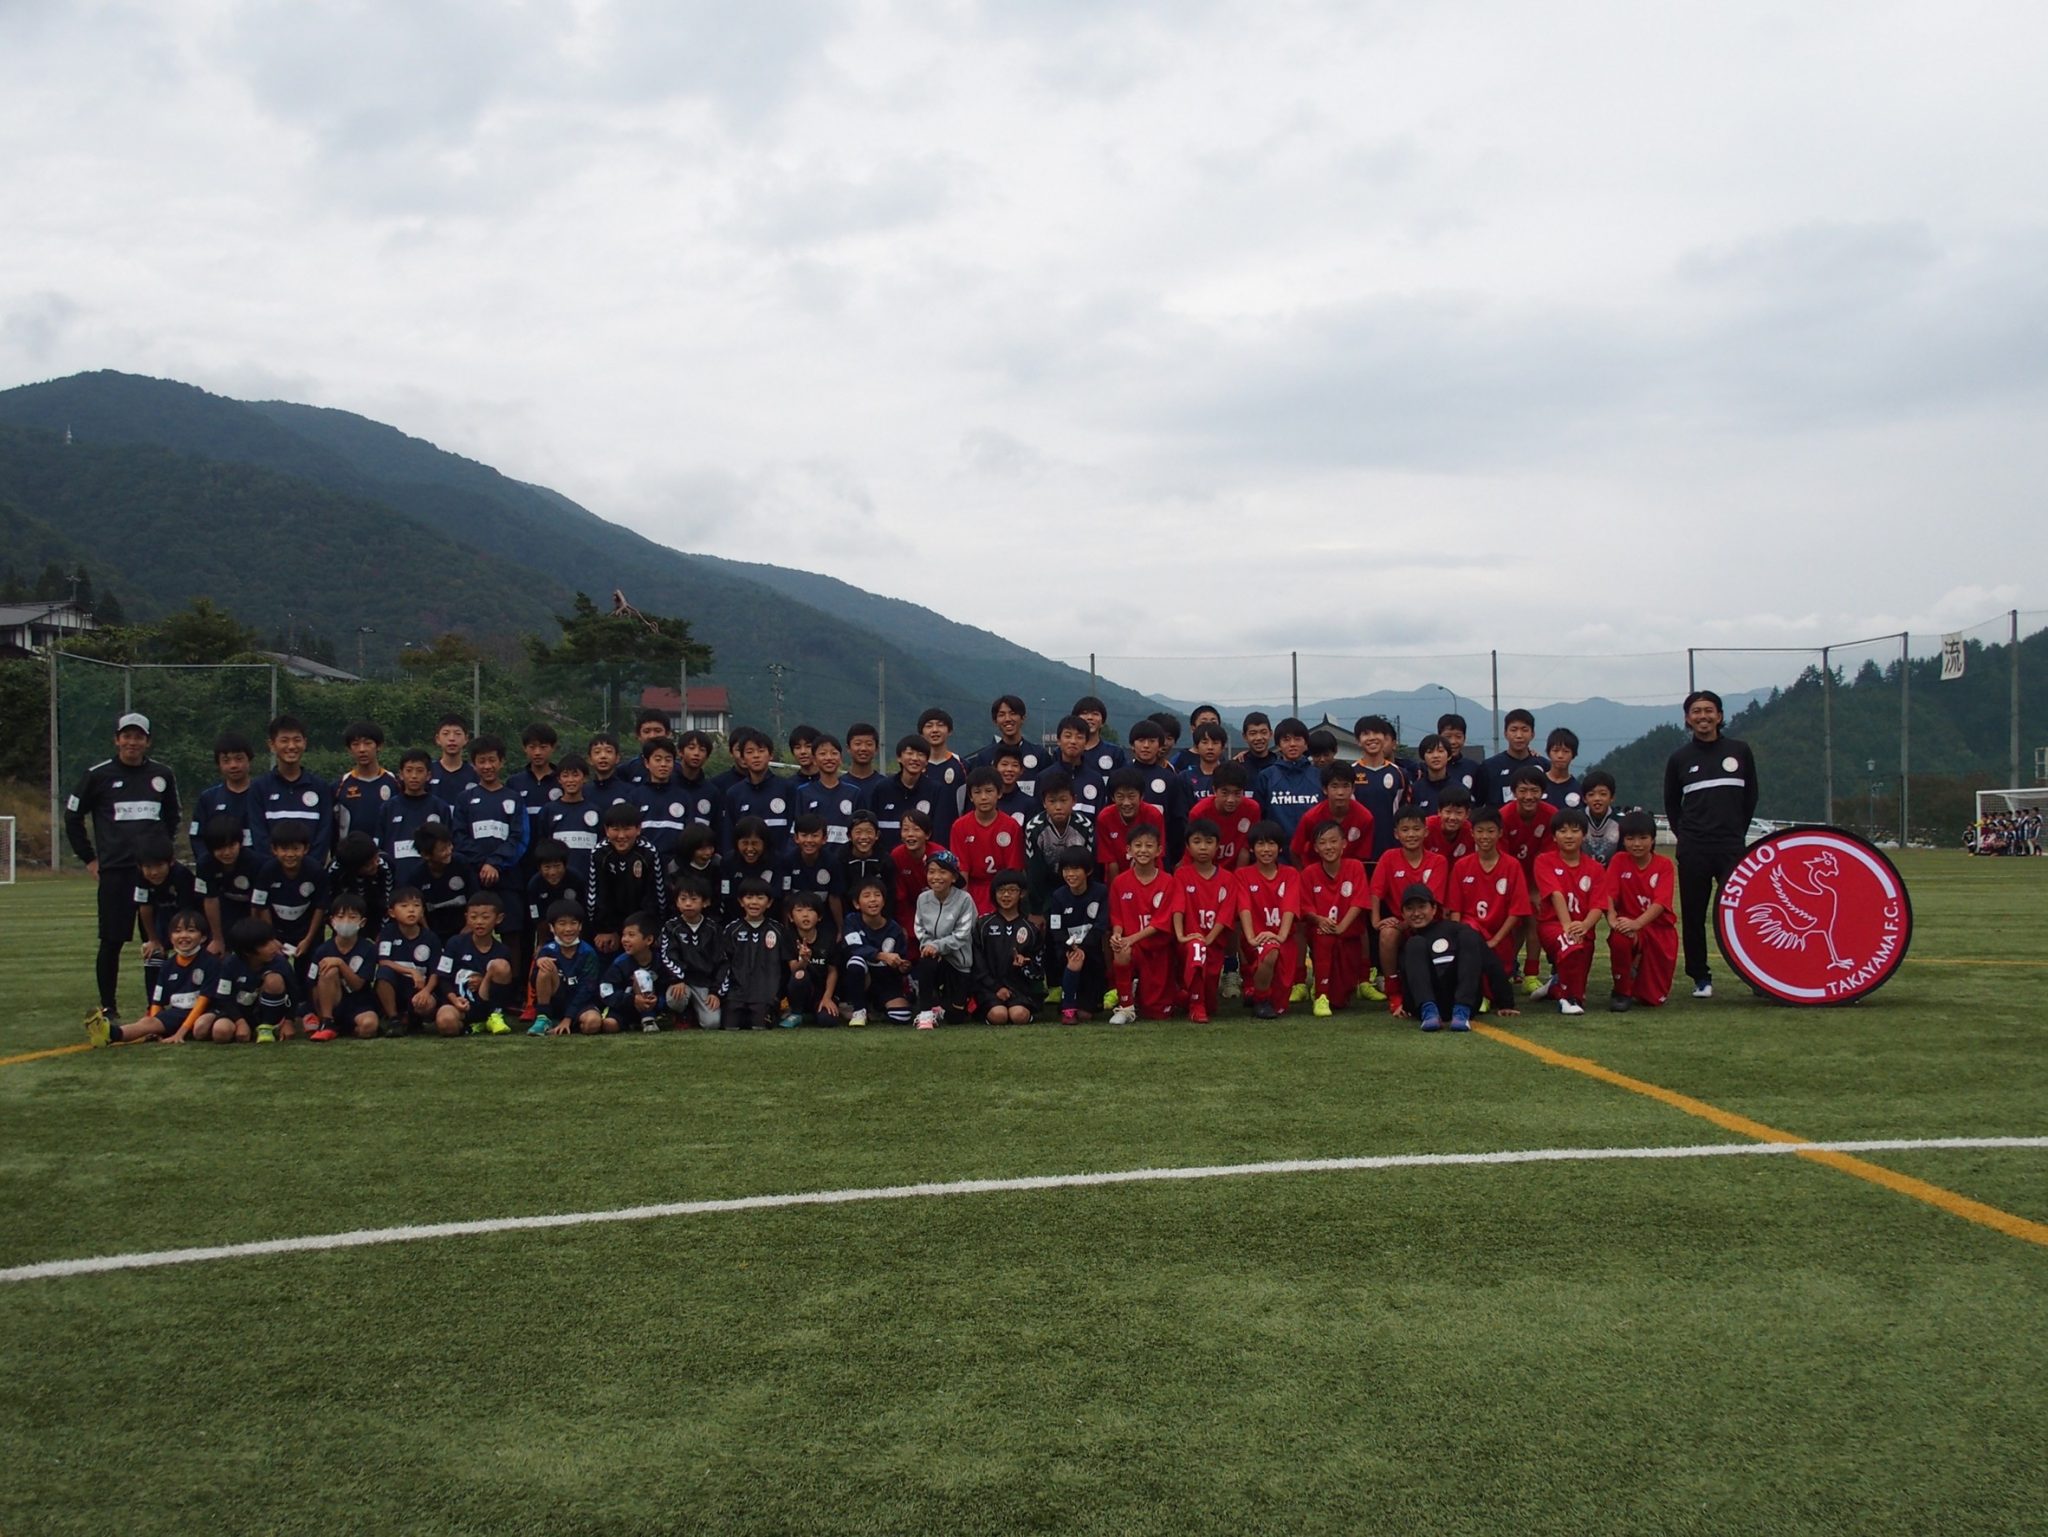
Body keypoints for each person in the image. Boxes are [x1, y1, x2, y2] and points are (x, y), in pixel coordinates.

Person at [67, 711, 182, 1021]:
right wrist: (89, 858)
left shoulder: (162, 775)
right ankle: (109, 1006)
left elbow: (173, 816)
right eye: (127, 736)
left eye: (139, 736)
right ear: (117, 739)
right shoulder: (98, 775)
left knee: (156, 941)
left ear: (148, 741)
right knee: (112, 940)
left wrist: (162, 853)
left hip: (154, 874)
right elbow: (72, 817)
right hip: (116, 872)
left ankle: (154, 1005)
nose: (133, 742)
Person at [1662, 689, 1761, 999]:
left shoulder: (1740, 751)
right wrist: (1687, 836)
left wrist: (1734, 833)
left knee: (1744, 913)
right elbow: (1671, 804)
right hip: (1694, 849)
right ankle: (1700, 976)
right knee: (1693, 914)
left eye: (1709, 710)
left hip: (1731, 847)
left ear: (1719, 715)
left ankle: (1756, 975)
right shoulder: (1679, 758)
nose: (1702, 716)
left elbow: (1750, 798)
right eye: (1696, 711)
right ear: (1687, 719)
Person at [1397, 884, 1522, 1033]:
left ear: (1434, 908)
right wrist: (1403, 1004)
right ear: (1403, 914)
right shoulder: (1410, 940)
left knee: (1469, 936)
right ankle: (1428, 1012)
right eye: (1410, 908)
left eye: (1422, 907)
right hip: (1429, 1001)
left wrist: (1505, 1003)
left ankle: (1461, 1012)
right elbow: (1406, 975)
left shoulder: (1456, 929)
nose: (1416, 913)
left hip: (1462, 999)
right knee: (1414, 943)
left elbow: (1491, 962)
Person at [86, 908, 218, 1046]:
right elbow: (157, 1002)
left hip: (203, 1012)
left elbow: (203, 1001)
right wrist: (156, 1024)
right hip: (177, 1013)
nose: (183, 936)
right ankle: (109, 1034)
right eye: (178, 931)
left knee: (200, 1028)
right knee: (148, 1022)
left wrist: (181, 1033)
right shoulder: (168, 965)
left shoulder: (210, 962)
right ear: (170, 937)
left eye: (191, 931)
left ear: (203, 937)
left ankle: (109, 1033)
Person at [1368, 808, 1452, 1015]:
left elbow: (1433, 903)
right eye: (1405, 830)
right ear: (1396, 833)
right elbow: (1376, 892)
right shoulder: (1388, 858)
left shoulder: (1438, 861)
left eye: (1416, 829)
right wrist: (1376, 921)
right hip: (1402, 923)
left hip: (1432, 925)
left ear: (1426, 832)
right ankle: (1393, 992)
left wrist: (1404, 923)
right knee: (1387, 934)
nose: (1411, 834)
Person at [1604, 810, 1678, 1011]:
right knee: (1620, 937)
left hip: (1658, 931)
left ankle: (1636, 972)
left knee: (1652, 999)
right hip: (1628, 926)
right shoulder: (1619, 860)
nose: (1637, 844)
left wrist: (1638, 923)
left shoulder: (1664, 865)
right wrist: (1612, 918)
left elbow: (1661, 903)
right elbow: (1608, 894)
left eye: (1643, 838)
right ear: (1623, 840)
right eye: (1630, 838)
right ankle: (1621, 990)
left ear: (1653, 840)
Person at [1448, 808, 1533, 981]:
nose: (1485, 836)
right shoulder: (1461, 866)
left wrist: (1496, 940)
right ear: (1472, 833)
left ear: (1500, 833)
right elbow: (1455, 910)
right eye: (1480, 831)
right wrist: (1457, 939)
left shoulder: (1512, 866)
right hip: (1471, 933)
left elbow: (1517, 911)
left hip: (1500, 937)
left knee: (1497, 981)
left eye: (1490, 831)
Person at [1531, 809, 1602, 1015]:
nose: (1569, 835)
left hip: (1583, 929)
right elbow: (1556, 895)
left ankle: (1556, 986)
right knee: (1570, 948)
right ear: (1554, 836)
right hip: (1554, 926)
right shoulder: (1544, 861)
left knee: (1580, 990)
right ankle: (1565, 999)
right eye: (1562, 831)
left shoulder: (1596, 868)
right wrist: (1567, 927)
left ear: (1584, 834)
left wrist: (1585, 926)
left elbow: (1598, 906)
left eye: (1575, 830)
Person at [1108, 823, 1180, 1022]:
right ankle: (1125, 1006)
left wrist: (1130, 938)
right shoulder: (1120, 882)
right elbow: (1117, 917)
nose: (1143, 850)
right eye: (1138, 845)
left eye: (1149, 846)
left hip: (1159, 949)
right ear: (1128, 850)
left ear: (1159, 850)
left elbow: (1161, 923)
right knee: (1120, 949)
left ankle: (1143, 989)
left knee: (1157, 1013)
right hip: (1133, 947)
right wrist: (1117, 934)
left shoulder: (1168, 882)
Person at [821, 879, 914, 1027]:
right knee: (856, 961)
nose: (872, 899)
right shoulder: (851, 921)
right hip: (862, 977)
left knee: (902, 1016)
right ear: (857, 903)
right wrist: (882, 955)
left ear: (884, 901)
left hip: (885, 981)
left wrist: (903, 966)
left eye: (877, 895)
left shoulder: (894, 929)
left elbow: (902, 962)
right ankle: (859, 1010)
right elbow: (852, 948)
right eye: (867, 895)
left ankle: (875, 1007)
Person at [1299, 821, 1368, 1017]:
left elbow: (1359, 902)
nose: (1328, 847)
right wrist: (1320, 920)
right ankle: (1321, 995)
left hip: (1349, 935)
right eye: (1323, 842)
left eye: (1333, 841)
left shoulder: (1355, 867)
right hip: (1322, 932)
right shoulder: (1309, 873)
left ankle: (1332, 988)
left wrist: (1341, 927)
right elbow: (1305, 909)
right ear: (1315, 847)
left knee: (1341, 999)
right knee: (1324, 936)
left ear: (1344, 843)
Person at [1173, 819, 1237, 1023]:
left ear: (1218, 846)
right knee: (1196, 950)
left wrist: (1209, 938)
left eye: (1209, 842)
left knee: (1211, 1000)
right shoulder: (1181, 875)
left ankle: (1190, 998)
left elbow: (1225, 914)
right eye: (1197, 841)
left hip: (1214, 943)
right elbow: (1177, 908)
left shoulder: (1227, 878)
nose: (1203, 847)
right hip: (1190, 943)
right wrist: (1182, 936)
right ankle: (1195, 1005)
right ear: (1188, 846)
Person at [1235, 821, 1301, 1019]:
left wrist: (1280, 936)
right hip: (1255, 940)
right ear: (1253, 849)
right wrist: (1251, 938)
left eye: (1271, 844)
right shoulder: (1242, 875)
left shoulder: (1290, 874)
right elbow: (1244, 908)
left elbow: (1290, 907)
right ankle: (1260, 1000)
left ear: (1280, 847)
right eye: (1261, 844)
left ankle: (1256, 990)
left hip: (1283, 940)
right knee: (1270, 951)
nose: (1266, 850)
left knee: (1281, 1005)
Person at [586, 803, 668, 954]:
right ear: (606, 830)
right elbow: (595, 895)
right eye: (615, 829)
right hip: (610, 926)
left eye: (627, 829)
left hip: (641, 924)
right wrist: (604, 929)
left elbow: (657, 896)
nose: (621, 836)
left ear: (638, 829)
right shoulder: (599, 853)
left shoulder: (649, 853)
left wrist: (650, 929)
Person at [252, 714, 332, 865]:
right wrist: (277, 869)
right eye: (284, 740)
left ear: (305, 743)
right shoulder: (259, 787)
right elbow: (259, 835)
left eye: (297, 740)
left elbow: (324, 835)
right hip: (271, 876)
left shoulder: (320, 787)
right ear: (272, 744)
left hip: (310, 877)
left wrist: (307, 869)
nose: (291, 746)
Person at [434, 891, 516, 1036]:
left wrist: (484, 980)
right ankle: (470, 1026)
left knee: (501, 966)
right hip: (458, 1003)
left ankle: (493, 1017)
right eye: (473, 917)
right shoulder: (455, 943)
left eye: (485, 917)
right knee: (446, 1023)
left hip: (486, 1004)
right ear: (466, 918)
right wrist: (454, 999)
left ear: (498, 918)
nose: (479, 922)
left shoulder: (502, 951)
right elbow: (443, 977)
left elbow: (506, 989)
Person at [1042, 847, 1109, 1025]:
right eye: (1066, 870)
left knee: (1086, 1015)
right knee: (1073, 961)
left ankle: (1088, 999)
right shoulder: (1058, 896)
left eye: (1075, 869)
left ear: (1088, 871)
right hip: (1067, 952)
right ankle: (1068, 1007)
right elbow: (1056, 928)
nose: (1070, 874)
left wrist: (1084, 948)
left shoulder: (1100, 892)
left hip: (1092, 954)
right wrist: (1070, 948)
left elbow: (1101, 925)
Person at [131, 832, 197, 1009]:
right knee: (153, 955)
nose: (153, 872)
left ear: (171, 862)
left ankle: (187, 1004)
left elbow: (189, 913)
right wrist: (153, 940)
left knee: (187, 958)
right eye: (148, 867)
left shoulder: (182, 876)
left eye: (159, 866)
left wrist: (181, 940)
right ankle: (154, 1007)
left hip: (188, 922)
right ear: (140, 867)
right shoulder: (141, 878)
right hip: (163, 920)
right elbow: (144, 907)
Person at [911, 850, 976, 1027]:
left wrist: (938, 946)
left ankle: (942, 1007)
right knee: (926, 961)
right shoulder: (922, 899)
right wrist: (929, 947)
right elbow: (919, 928)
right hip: (934, 959)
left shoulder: (964, 899)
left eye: (942, 872)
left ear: (954, 877)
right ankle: (925, 1013)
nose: (936, 877)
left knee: (955, 1018)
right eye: (931, 871)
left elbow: (962, 934)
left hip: (959, 964)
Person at [306, 890, 381, 1040]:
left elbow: (358, 985)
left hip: (359, 1004)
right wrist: (318, 1012)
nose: (346, 921)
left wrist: (340, 963)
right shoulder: (322, 950)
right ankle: (327, 1022)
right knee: (329, 970)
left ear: (362, 922)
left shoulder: (368, 949)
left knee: (369, 1026)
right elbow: (312, 985)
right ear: (332, 921)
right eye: (341, 917)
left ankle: (345, 1028)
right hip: (332, 1003)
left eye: (352, 917)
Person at [972, 871, 1044, 1024]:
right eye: (1001, 890)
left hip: (1019, 988)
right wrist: (996, 987)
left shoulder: (1031, 929)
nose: (1006, 895)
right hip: (990, 988)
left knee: (1019, 1016)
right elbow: (977, 963)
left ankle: (1026, 1013)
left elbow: (1038, 968)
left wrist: (1025, 963)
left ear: (1022, 894)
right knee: (999, 1016)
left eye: (1012, 890)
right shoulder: (983, 924)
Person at [721, 876, 790, 1031]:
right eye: (749, 897)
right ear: (740, 901)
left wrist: (777, 995)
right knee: (730, 1027)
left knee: (759, 1027)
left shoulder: (778, 930)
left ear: (769, 902)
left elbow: (786, 967)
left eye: (760, 898)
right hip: (736, 994)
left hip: (765, 995)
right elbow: (724, 963)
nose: (754, 902)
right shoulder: (732, 930)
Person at [951, 767, 1025, 912]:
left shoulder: (1011, 826)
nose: (983, 797)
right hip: (972, 891)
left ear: (999, 793)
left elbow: (1014, 869)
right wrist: (963, 907)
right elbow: (962, 870)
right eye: (977, 792)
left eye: (989, 791)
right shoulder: (959, 826)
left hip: (1003, 891)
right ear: (970, 796)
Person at [657, 877, 727, 1029]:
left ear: (705, 902)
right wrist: (677, 978)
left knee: (712, 1023)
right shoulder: (671, 927)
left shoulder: (713, 929)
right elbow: (667, 955)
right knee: (676, 998)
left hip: (705, 984)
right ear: (677, 902)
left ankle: (696, 1015)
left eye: (694, 899)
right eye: (683, 899)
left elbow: (723, 962)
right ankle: (682, 1014)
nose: (688, 904)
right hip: (683, 982)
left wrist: (716, 992)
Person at [378, 748, 453, 887]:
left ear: (428, 775)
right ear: (400, 774)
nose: (414, 776)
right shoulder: (388, 808)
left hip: (431, 882)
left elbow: (449, 846)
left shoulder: (440, 807)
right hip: (397, 881)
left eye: (419, 771)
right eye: (409, 770)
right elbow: (380, 847)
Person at [1022, 770, 1095, 913]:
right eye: (1052, 801)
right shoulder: (1034, 828)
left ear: (1074, 800)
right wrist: (1036, 911)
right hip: (1046, 887)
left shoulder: (1085, 826)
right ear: (1044, 803)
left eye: (1063, 800)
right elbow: (1034, 872)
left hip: (1077, 886)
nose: (1058, 807)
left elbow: (1089, 868)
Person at [531, 900, 606, 1036]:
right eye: (562, 923)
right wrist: (539, 963)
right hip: (556, 1001)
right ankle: (543, 1018)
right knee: (545, 967)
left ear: (580, 926)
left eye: (573, 923)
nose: (568, 929)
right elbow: (533, 983)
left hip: (581, 1004)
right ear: (552, 928)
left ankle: (567, 1024)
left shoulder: (588, 952)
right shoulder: (547, 951)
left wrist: (568, 1018)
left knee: (592, 1024)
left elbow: (587, 989)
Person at [375, 886, 443, 1033]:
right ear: (392, 912)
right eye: (404, 906)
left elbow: (435, 972)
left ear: (422, 911)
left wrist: (426, 991)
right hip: (396, 985)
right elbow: (383, 961)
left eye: (417, 906)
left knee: (426, 1004)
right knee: (383, 973)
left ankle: (415, 1019)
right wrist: (411, 971)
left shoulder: (431, 938)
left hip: (418, 988)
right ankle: (394, 1018)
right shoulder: (388, 932)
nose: (411, 910)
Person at [187, 731, 257, 861]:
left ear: (249, 759)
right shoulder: (208, 798)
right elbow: (197, 838)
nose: (233, 765)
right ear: (219, 764)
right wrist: (209, 864)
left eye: (239, 758)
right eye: (226, 760)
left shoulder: (264, 794)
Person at [194, 813, 258, 955]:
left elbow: (258, 903)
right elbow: (210, 900)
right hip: (223, 912)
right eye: (220, 848)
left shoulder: (255, 862)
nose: (227, 852)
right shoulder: (205, 864)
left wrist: (254, 936)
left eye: (231, 846)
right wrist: (217, 939)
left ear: (240, 843)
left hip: (250, 910)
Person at [1251, 719, 1320, 840]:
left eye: (1297, 739)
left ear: (1306, 744)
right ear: (1278, 745)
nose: (1292, 744)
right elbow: (1259, 818)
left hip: (1311, 851)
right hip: (1276, 853)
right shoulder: (1266, 776)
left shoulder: (1318, 776)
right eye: (1286, 740)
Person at [596, 913, 663, 1033]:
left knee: (642, 976)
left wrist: (657, 1000)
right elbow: (606, 991)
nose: (625, 940)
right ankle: (635, 1023)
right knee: (609, 1025)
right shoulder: (620, 963)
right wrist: (632, 1000)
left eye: (631, 935)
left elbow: (666, 986)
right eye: (623, 935)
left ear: (649, 940)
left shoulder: (660, 961)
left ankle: (648, 1020)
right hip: (625, 1008)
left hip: (653, 1008)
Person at [334, 720, 398, 843]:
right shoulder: (339, 786)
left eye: (368, 743)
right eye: (356, 744)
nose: (362, 749)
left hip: (385, 855)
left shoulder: (394, 782)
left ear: (379, 746)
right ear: (349, 749)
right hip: (351, 855)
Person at [1188, 763, 1261, 869]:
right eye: (1225, 793)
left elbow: (1245, 849)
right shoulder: (1199, 813)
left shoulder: (1252, 809)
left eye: (1237, 793)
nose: (1230, 800)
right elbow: (1195, 852)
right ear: (1214, 790)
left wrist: (1237, 879)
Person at [1479, 709, 1540, 808]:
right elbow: (1478, 804)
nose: (1519, 735)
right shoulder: (1489, 767)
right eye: (1514, 730)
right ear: (1505, 734)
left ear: (1532, 734)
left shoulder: (1543, 766)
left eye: (1524, 730)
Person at [428, 714, 479, 800]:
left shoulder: (475, 774)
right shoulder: (428, 772)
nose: (451, 738)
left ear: (466, 739)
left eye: (457, 734)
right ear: (437, 739)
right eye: (446, 734)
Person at [1541, 728, 1583, 812]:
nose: (1560, 755)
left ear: (1573, 755)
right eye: (1555, 750)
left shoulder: (1579, 789)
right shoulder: (1537, 784)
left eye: (1566, 751)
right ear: (1548, 753)